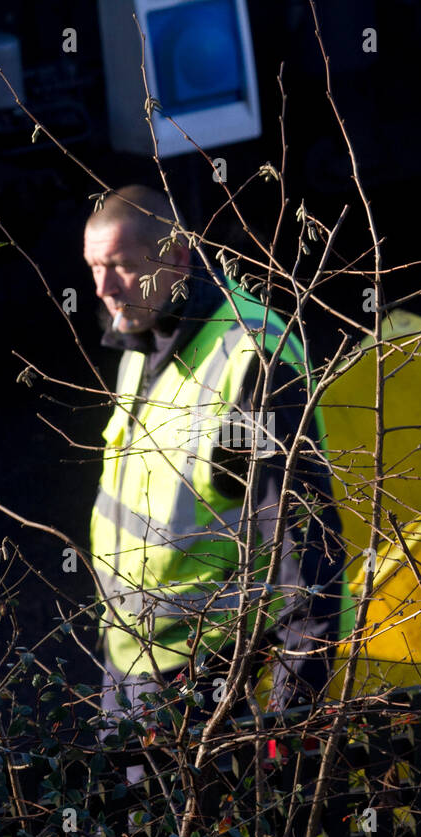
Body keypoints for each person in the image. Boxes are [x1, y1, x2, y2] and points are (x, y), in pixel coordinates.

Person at [83, 185, 342, 741]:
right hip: (125, 652)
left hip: (199, 669)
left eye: (122, 267)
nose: (103, 289)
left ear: (176, 257)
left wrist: (292, 716)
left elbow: (306, 547)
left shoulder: (248, 358)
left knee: (184, 824)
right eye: (94, 268)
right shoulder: (145, 335)